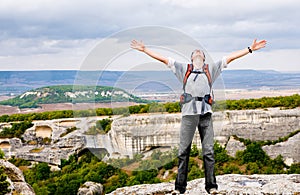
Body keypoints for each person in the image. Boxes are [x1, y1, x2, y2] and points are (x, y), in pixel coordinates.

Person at [130, 39, 267, 194]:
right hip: (188, 115)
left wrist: (250, 49)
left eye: (200, 52)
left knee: (208, 152)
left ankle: (211, 187)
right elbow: (163, 58)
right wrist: (145, 49)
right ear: (191, 58)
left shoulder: (211, 69)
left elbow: (230, 57)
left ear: (203, 58)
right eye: (195, 52)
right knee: (183, 152)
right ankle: (179, 188)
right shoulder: (183, 69)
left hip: (205, 115)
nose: (197, 52)